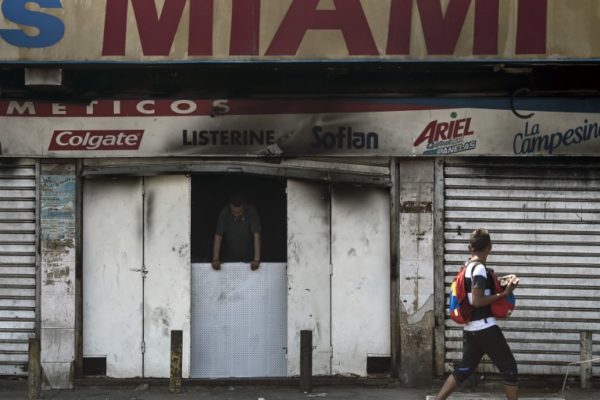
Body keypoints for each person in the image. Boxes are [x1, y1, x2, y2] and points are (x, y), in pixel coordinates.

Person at [435, 228, 519, 400]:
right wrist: (505, 293)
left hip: (471, 329)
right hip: (485, 328)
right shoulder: (479, 269)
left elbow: (477, 293)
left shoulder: (467, 267)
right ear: (490, 247)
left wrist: (502, 282)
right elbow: (477, 301)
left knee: (464, 370)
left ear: (469, 248)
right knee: (510, 368)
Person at [211, 194, 261, 271]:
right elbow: (218, 236)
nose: (236, 214)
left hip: (249, 258)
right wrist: (215, 259)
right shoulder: (225, 212)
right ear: (230, 208)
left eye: (239, 212)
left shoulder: (251, 211)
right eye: (234, 212)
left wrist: (256, 260)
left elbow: (256, 235)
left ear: (244, 207)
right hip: (229, 257)